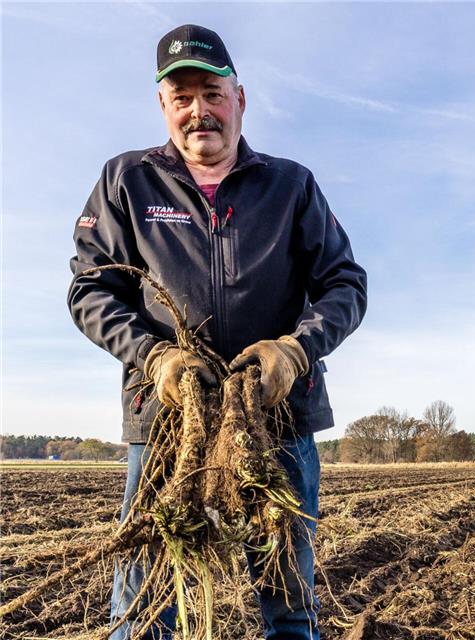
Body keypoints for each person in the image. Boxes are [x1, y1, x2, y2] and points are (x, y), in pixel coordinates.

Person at [67, 24, 367, 640]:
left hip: (276, 420)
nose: (198, 111)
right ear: (163, 106)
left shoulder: (291, 185)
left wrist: (295, 350)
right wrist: (154, 359)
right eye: (182, 97)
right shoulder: (128, 181)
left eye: (211, 92)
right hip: (167, 422)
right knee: (147, 600)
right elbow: (90, 289)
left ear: (240, 98)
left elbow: (345, 284)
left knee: (288, 599)